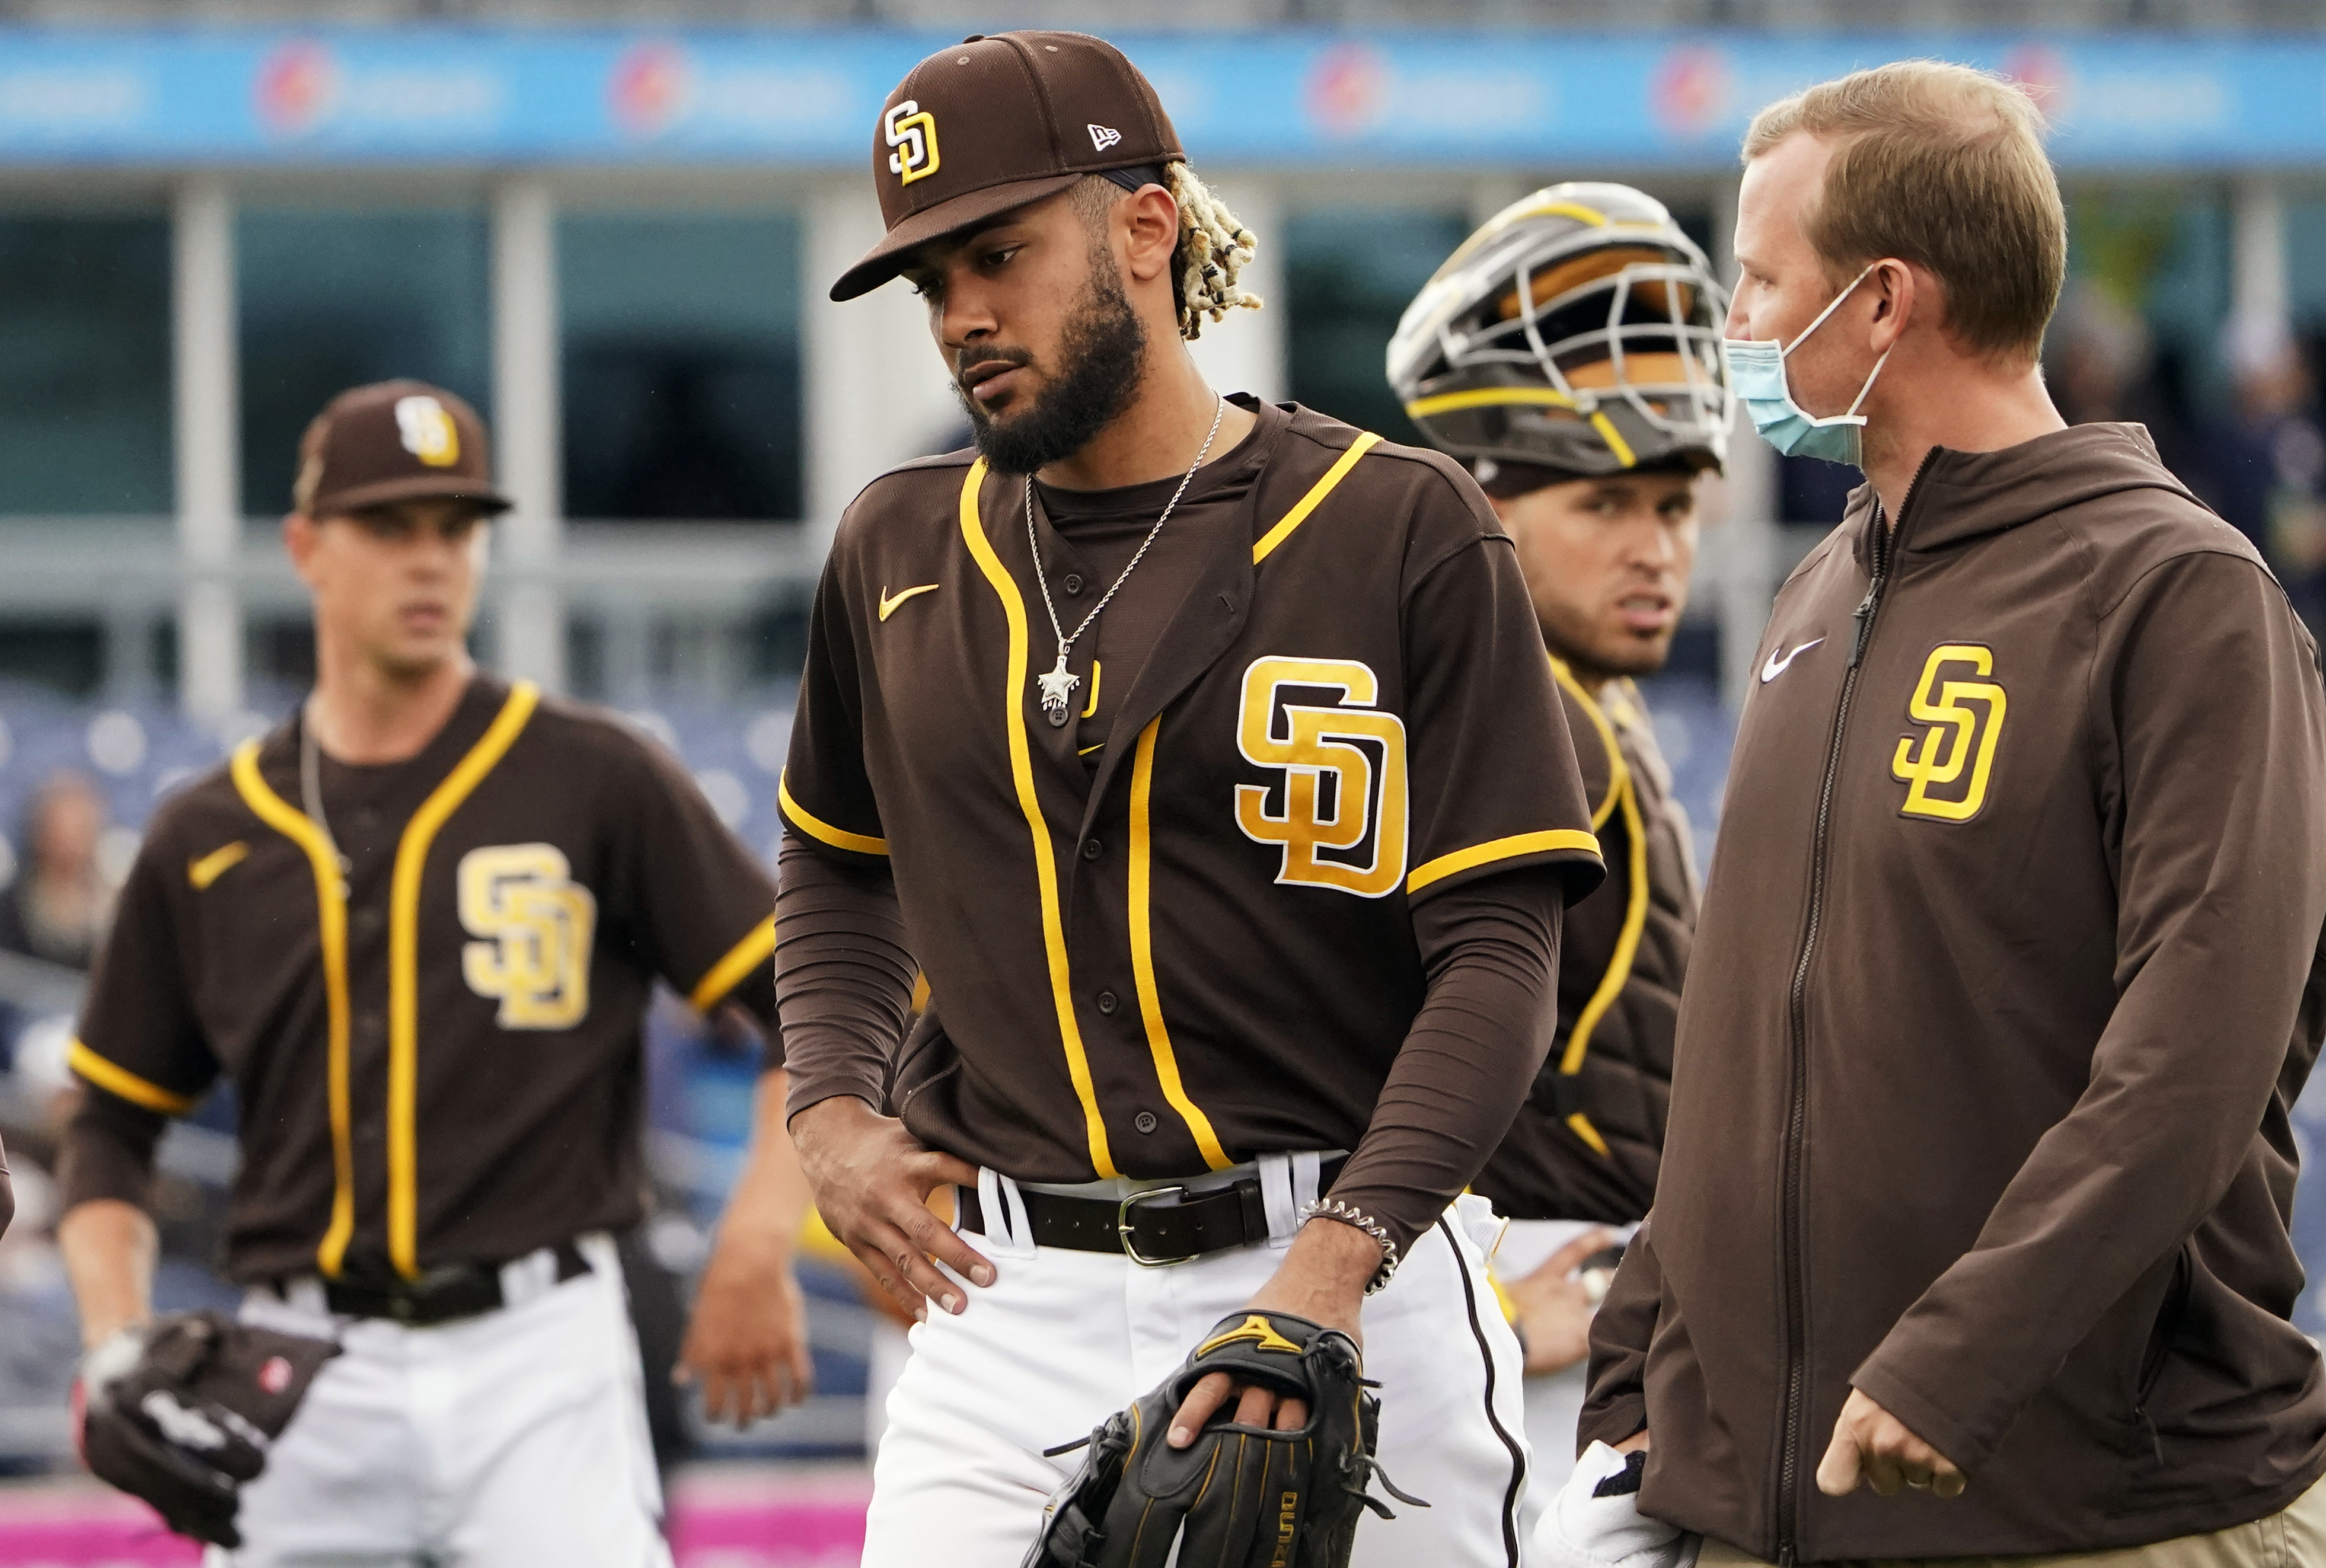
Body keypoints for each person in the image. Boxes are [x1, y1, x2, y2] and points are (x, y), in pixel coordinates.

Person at [721, 29, 1606, 1567]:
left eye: (998, 252)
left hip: (1354, 1257)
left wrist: (1335, 1265)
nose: (963, 315)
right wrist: (831, 1112)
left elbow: (1500, 955)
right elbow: (836, 867)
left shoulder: (1400, 525)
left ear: (1146, 226)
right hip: (1011, 1303)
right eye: (931, 281)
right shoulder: (895, 545)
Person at [1561, 59, 2326, 1565]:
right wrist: (1643, 1349)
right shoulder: (1818, 583)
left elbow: (2192, 1058)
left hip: (2096, 1515)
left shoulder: (2176, 597)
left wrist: (1958, 1355)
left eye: (1753, 278)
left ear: (1877, 304)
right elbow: (1754, 1031)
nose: (1728, 323)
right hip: (1780, 1506)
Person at [52, 379, 803, 1566]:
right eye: (389, 525)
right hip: (298, 1363)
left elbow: (808, 1013)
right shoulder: (207, 831)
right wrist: (111, 1339)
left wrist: (758, 1239)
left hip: (541, 1349)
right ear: (306, 547)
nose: (430, 559)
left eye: (455, 527)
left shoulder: (594, 774)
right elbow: (109, 1123)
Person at [1386, 181, 1719, 1518]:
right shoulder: (1506, 721)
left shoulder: (1587, 700)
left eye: (1678, 509)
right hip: (1509, 1327)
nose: (1657, 552)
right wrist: (1463, 1295)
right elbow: (1365, 1051)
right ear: (1487, 507)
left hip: (1580, 1312)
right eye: (1607, 506)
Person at [0, 769, 117, 971]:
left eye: (81, 830)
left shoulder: (114, 915)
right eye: (62, 831)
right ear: (40, 833)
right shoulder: (9, 913)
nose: (70, 845)